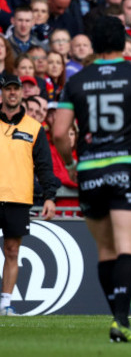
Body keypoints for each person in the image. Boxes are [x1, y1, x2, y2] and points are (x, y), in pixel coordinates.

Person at [52, 16, 131, 343]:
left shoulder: (76, 80)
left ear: (93, 44)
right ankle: (121, 319)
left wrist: (70, 163)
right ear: (123, 43)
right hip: (127, 166)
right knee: (126, 247)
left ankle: (118, 316)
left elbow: (60, 132)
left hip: (91, 168)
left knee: (105, 250)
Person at [0, 74, 57, 316]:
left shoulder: (35, 128)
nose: (12, 93)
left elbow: (44, 165)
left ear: (22, 93)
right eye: (8, 89)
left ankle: (5, 304)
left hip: (18, 197)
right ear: (2, 93)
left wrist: (50, 196)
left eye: (16, 89)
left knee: (13, 251)